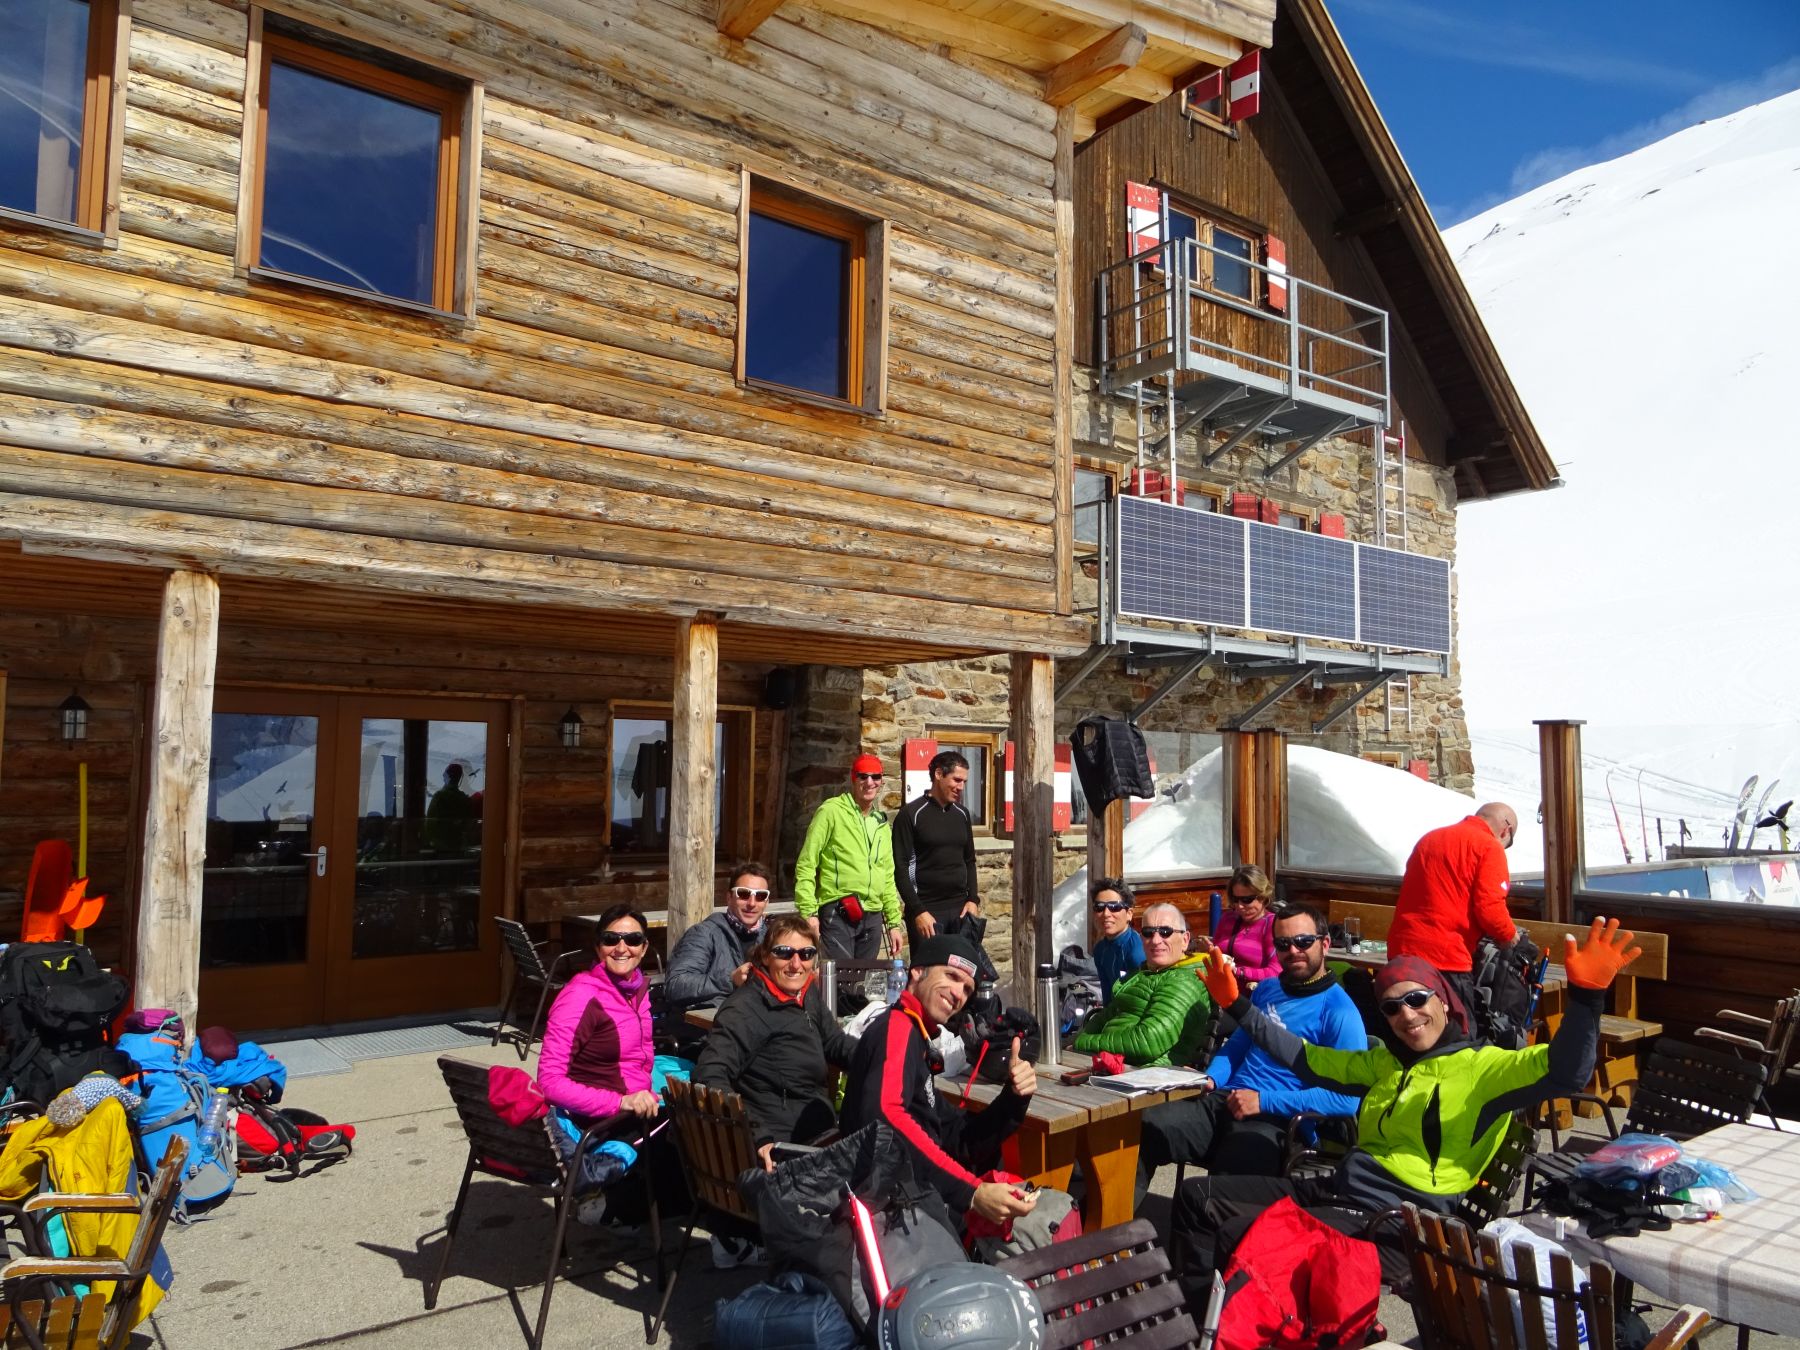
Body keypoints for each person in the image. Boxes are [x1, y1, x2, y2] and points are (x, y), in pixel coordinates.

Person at [1170, 917, 1640, 1291]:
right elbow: (1304, 1058)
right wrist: (1238, 1007)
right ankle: (1201, 1330)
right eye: (1392, 1008)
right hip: (1341, 1192)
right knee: (1198, 1198)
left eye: (1417, 1000)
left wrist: (1586, 1000)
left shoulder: (1485, 1069)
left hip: (1397, 1220)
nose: (1407, 1015)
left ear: (1443, 999)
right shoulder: (1385, 1062)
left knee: (1243, 1238)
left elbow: (1567, 1072)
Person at [839, 934, 1071, 1254]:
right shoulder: (897, 1027)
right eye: (951, 976)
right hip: (890, 1215)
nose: (959, 993)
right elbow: (887, 1117)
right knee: (1040, 1235)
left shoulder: (918, 1039)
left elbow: (958, 1137)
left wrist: (1014, 1097)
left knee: (1047, 1218)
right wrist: (972, 1192)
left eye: (967, 989)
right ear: (916, 972)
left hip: (913, 1201)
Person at [1135, 904, 1364, 1204]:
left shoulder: (1339, 1011)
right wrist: (1212, 1078)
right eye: (1283, 944)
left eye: (1303, 942)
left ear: (1324, 944)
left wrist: (1263, 1101)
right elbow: (1238, 1044)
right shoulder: (1268, 989)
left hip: (1278, 1120)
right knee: (1140, 1129)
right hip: (1224, 1100)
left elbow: (1346, 1100)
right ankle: (1112, 1236)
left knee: (1217, 1196)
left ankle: (1213, 1246)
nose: (1293, 950)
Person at [692, 914, 857, 1169]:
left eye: (806, 954)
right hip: (784, 1147)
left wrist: (881, 1056)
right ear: (767, 956)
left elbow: (834, 1042)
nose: (796, 964)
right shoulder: (746, 1008)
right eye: (784, 953)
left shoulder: (804, 992)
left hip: (820, 1131)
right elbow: (710, 1073)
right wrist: (756, 1135)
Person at [1388, 802, 1520, 1013]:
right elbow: (1490, 907)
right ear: (1506, 830)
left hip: (1402, 952)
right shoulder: (1489, 847)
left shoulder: (1430, 838)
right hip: (1446, 959)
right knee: (1458, 1036)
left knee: (1407, 1029)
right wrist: (1509, 936)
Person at [539, 902, 659, 1123]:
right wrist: (621, 1102)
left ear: (643, 948)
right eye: (610, 939)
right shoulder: (580, 996)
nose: (621, 948)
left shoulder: (637, 989)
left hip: (641, 1106)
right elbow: (549, 1082)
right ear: (598, 947)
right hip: (603, 1121)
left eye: (632, 939)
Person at [793, 755, 905, 960]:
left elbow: (887, 875)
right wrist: (809, 912)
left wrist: (893, 923)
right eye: (863, 776)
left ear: (881, 781)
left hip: (872, 915)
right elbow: (807, 862)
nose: (869, 782)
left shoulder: (880, 823)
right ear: (853, 778)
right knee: (839, 983)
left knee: (863, 985)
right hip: (838, 911)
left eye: (875, 777)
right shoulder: (831, 811)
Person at [1073, 903, 1212, 1067]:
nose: (1156, 940)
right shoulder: (1146, 973)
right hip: (1115, 1065)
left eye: (1165, 932)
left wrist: (1085, 1043)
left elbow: (1147, 1042)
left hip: (1150, 1075)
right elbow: (1109, 1013)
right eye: (1148, 933)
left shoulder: (1185, 980)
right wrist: (1082, 1039)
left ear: (1185, 939)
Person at [892, 750, 980, 948]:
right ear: (938, 774)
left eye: (965, 782)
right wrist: (918, 911)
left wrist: (973, 899)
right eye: (957, 780)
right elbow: (900, 868)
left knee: (962, 976)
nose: (961, 787)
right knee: (928, 977)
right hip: (927, 911)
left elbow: (969, 860)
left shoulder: (963, 814)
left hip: (961, 910)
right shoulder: (910, 814)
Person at [665, 861, 771, 1011]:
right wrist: (730, 980)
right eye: (743, 894)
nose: (752, 903)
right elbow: (675, 985)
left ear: (766, 902)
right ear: (729, 898)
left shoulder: (770, 937)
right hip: (711, 1028)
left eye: (760, 896)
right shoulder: (704, 934)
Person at [1207, 865, 1279, 985]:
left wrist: (1239, 972)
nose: (1240, 906)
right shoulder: (1228, 919)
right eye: (1236, 899)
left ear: (1263, 896)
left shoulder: (1272, 925)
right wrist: (1209, 950)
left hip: (1254, 997)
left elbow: (1276, 972)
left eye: (1247, 900)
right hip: (1221, 992)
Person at [1090, 877, 1145, 1002]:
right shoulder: (1100, 950)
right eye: (1099, 907)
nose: (1106, 914)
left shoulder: (1137, 952)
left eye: (1114, 907)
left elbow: (1141, 1001)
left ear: (1129, 914)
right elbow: (1107, 998)